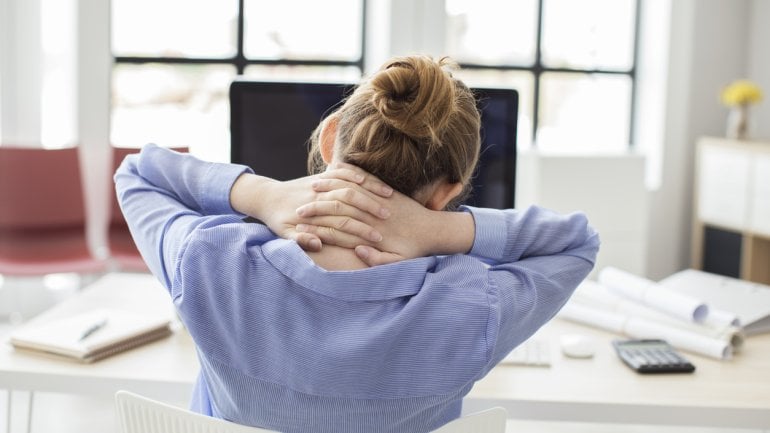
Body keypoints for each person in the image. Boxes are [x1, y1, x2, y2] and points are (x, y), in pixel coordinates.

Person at [114, 55, 599, 433]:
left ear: (329, 141)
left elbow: (139, 173)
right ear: (450, 190)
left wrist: (262, 194)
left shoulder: (209, 261)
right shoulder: (473, 305)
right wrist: (440, 229)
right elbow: (576, 242)